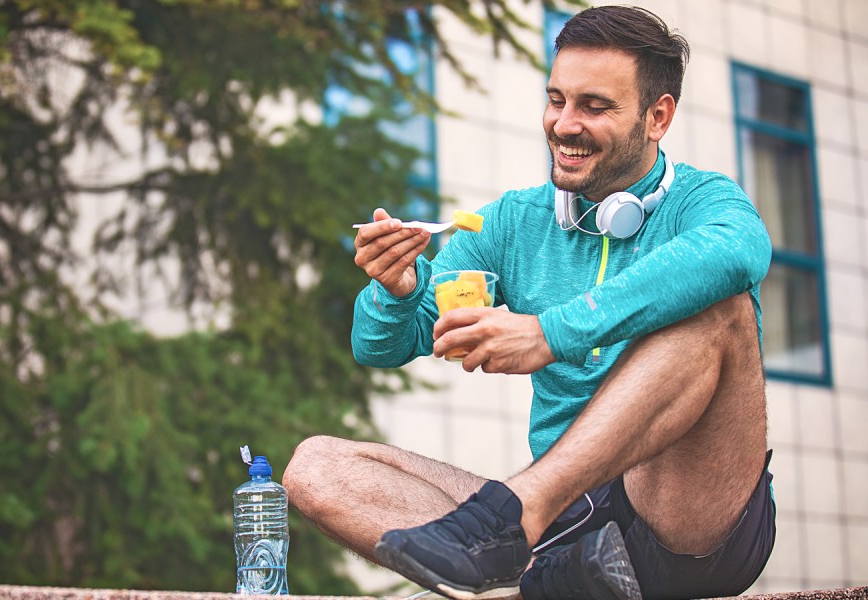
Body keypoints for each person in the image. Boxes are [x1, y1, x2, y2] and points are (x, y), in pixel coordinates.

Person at [282, 5, 776, 600]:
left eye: (594, 107)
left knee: (722, 309)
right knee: (314, 466)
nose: (564, 124)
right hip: (566, 531)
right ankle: (536, 580)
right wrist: (399, 289)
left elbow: (739, 253)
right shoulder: (514, 222)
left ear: (657, 117)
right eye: (557, 99)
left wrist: (550, 332)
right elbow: (379, 346)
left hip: (683, 520)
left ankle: (517, 527)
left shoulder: (702, 201)